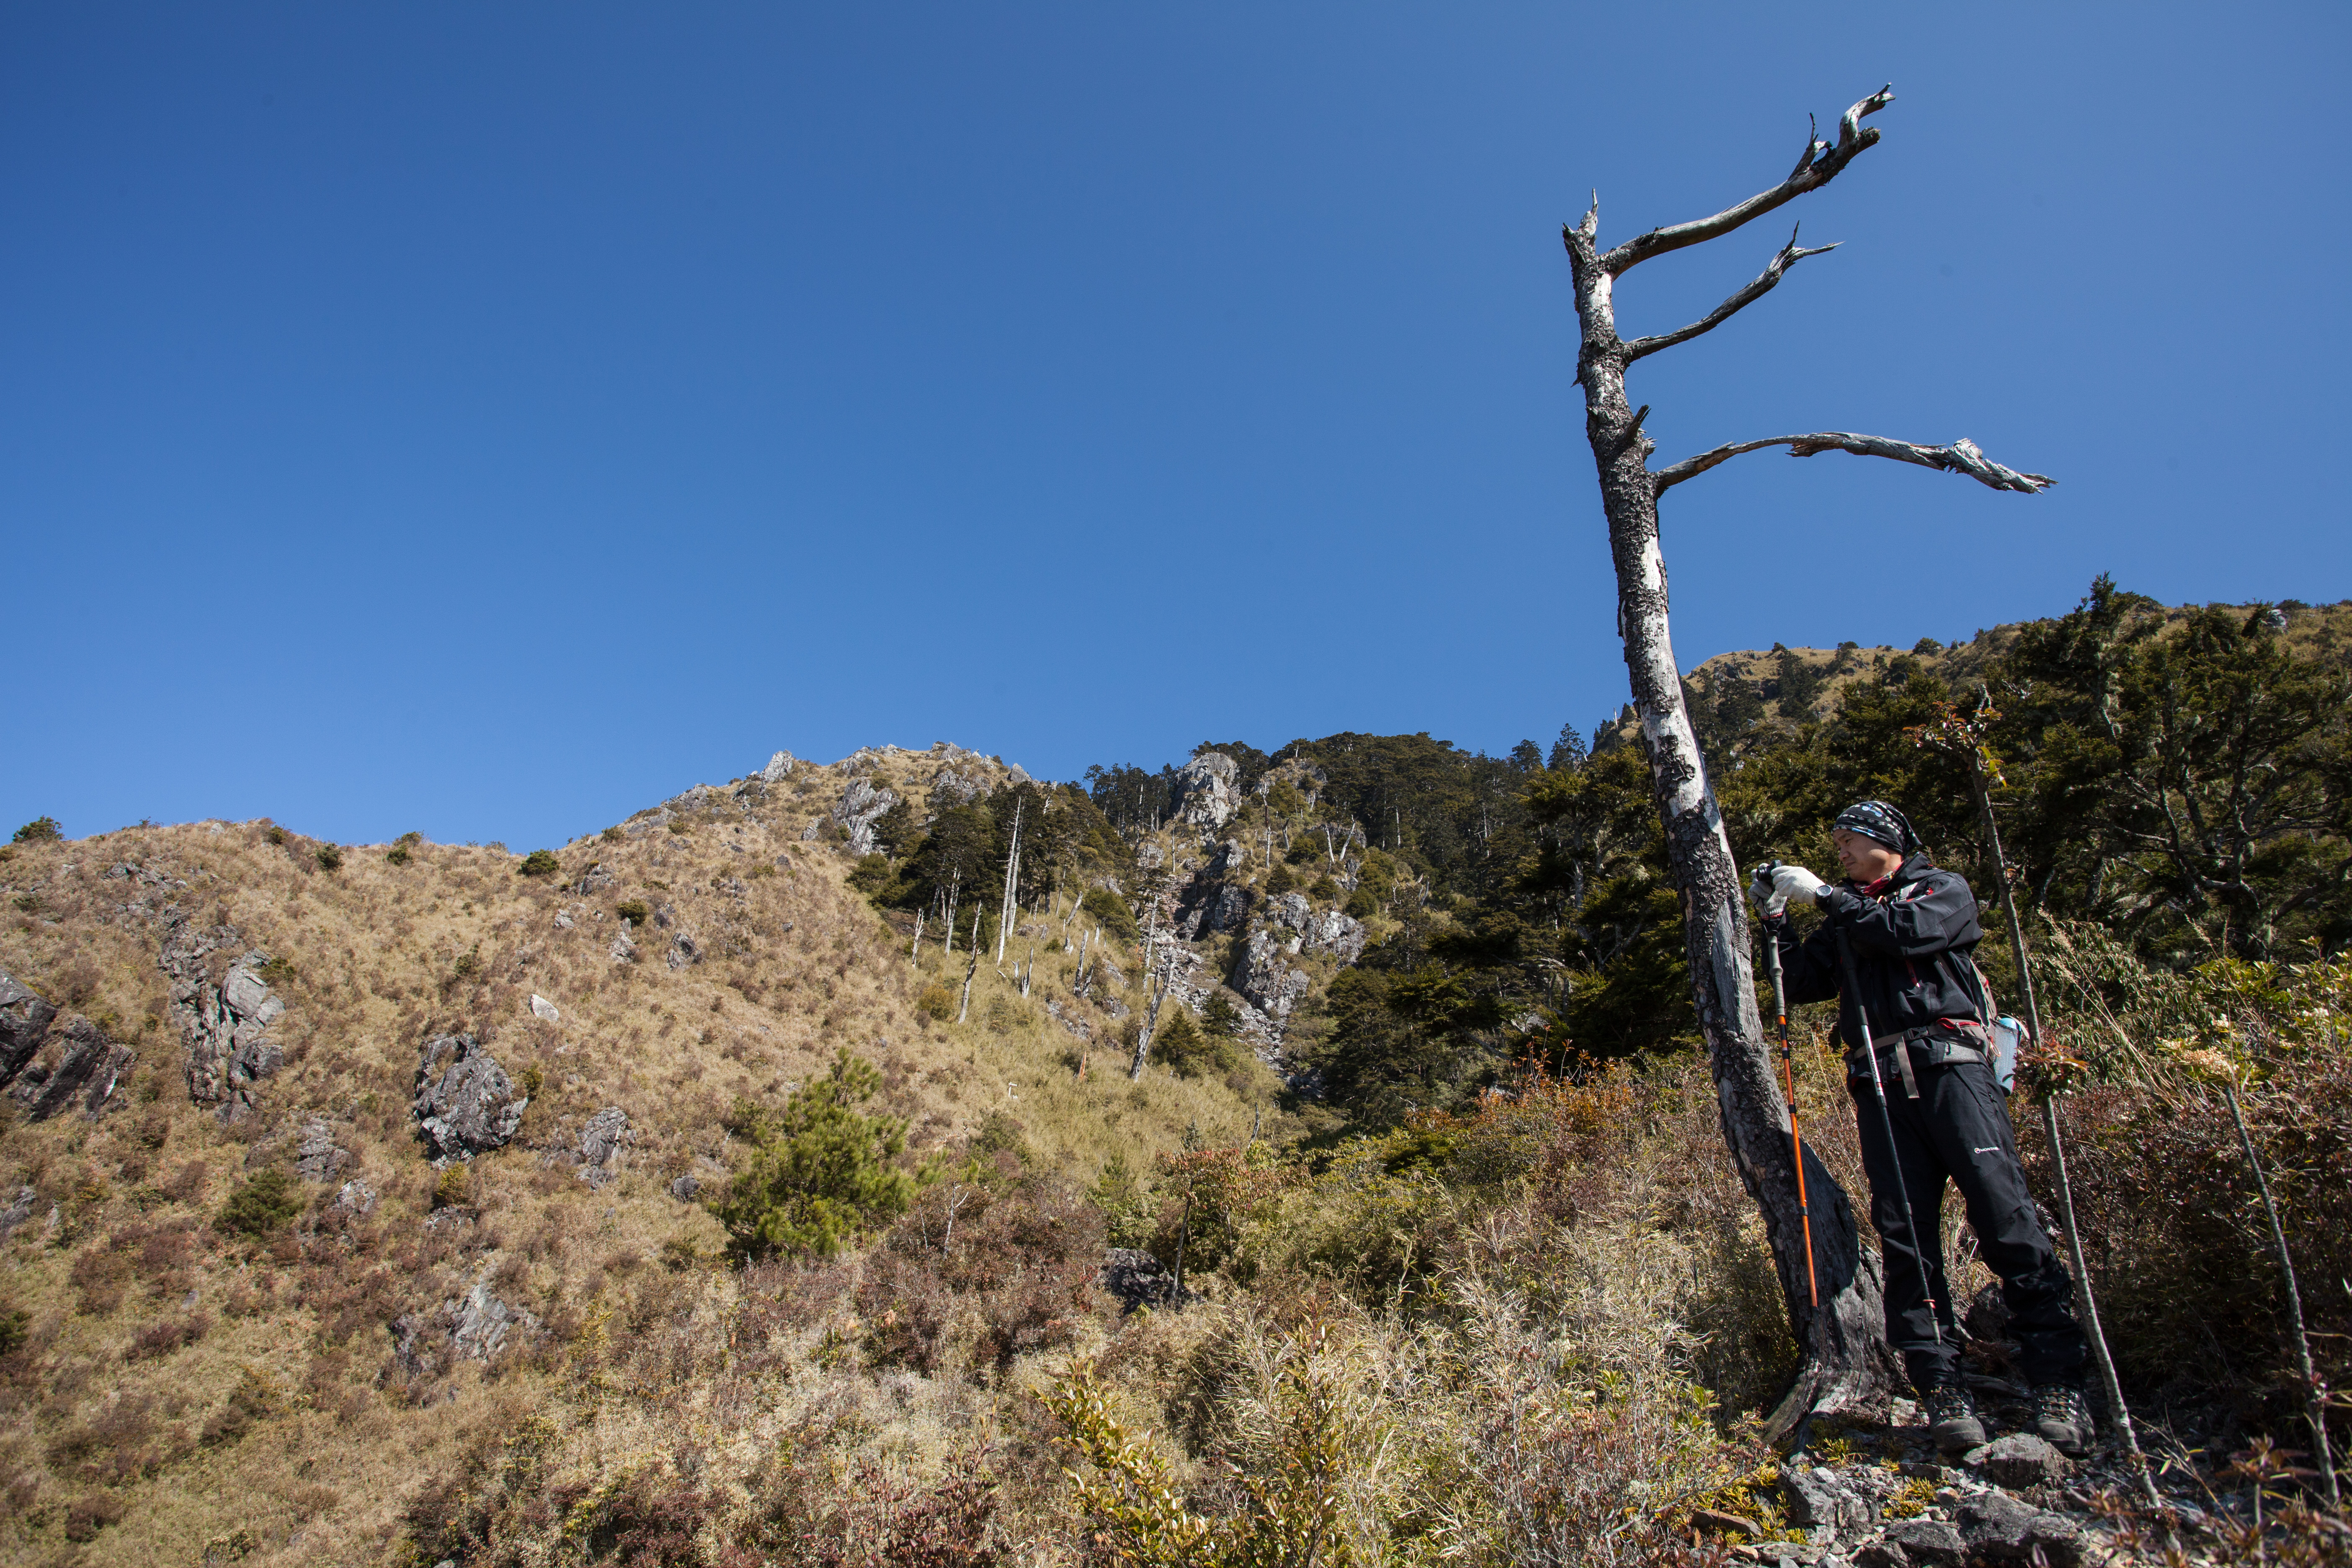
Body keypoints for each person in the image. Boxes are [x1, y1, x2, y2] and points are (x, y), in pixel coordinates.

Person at [1752, 800, 2094, 1457]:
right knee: (1906, 1234)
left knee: (2004, 1215)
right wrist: (1777, 919)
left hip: (1953, 1070)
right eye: (1837, 841)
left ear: (1887, 840)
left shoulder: (1941, 890)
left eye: (1850, 838)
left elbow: (1908, 934)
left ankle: (2059, 1380)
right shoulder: (1849, 912)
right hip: (1880, 1082)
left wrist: (1824, 896)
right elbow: (1800, 981)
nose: (1841, 850)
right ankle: (1941, 1384)